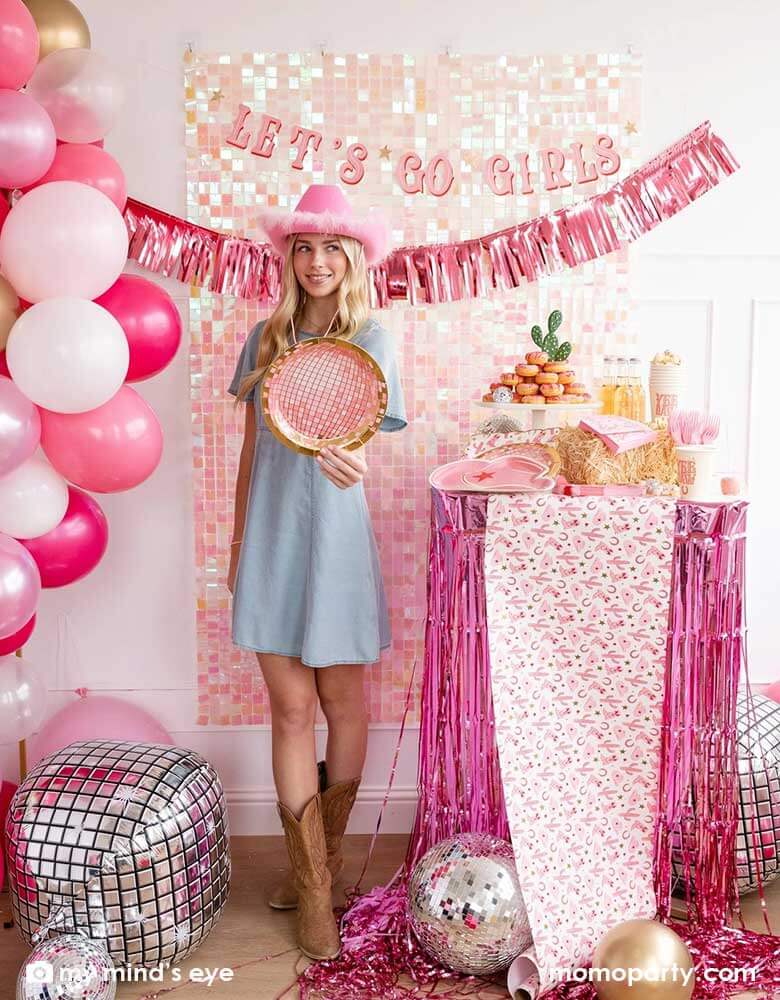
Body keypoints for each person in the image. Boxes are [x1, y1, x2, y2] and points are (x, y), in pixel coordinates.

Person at [227, 184, 407, 961]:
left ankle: (324, 867)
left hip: (336, 547)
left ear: (353, 257)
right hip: (272, 543)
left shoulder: (371, 339)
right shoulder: (265, 339)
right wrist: (238, 548)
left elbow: (364, 442)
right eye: (304, 247)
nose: (317, 261)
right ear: (290, 258)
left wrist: (356, 460)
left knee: (343, 702)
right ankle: (310, 894)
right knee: (291, 709)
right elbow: (249, 452)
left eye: (332, 247)